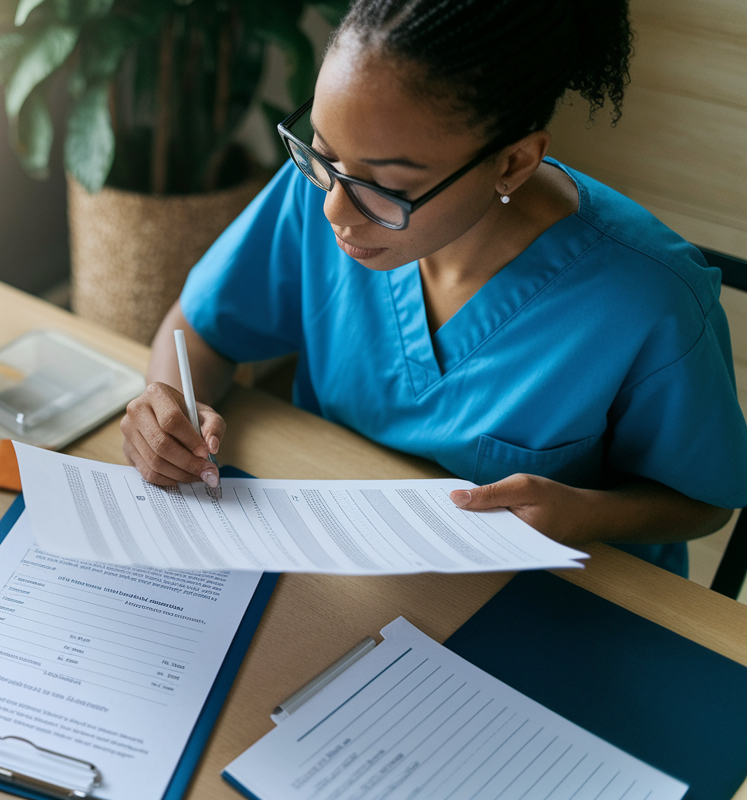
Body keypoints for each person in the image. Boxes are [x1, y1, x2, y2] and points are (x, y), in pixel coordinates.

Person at [119, 0, 747, 576]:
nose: (337, 209)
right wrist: (168, 405)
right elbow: (199, 327)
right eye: (321, 153)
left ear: (512, 163)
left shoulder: (651, 302)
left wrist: (583, 512)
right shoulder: (321, 190)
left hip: (559, 602)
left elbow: (703, 502)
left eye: (386, 189)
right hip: (338, 570)